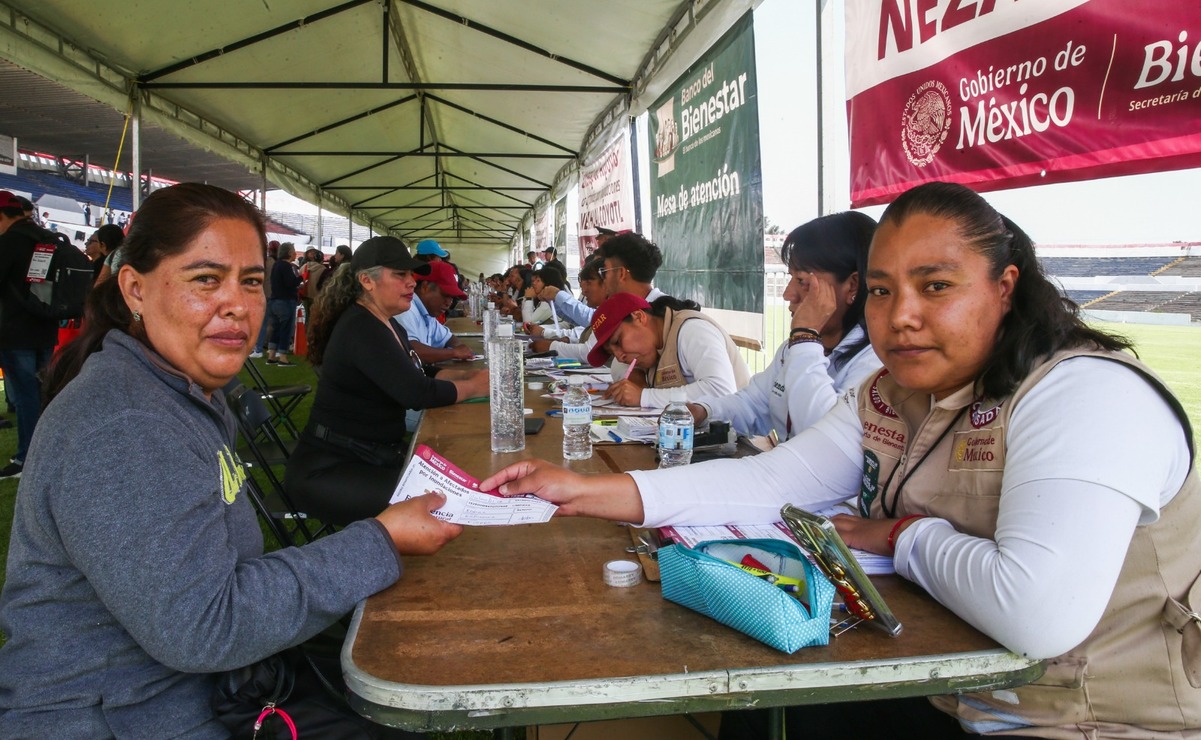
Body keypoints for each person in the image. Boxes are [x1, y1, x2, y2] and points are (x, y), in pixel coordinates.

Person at [481, 181, 1201, 738]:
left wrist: (902, 536)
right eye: (883, 291)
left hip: (1091, 720)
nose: (901, 316)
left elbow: (1037, 612)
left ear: (1004, 287)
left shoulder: (1084, 395)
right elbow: (773, 478)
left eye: (936, 286)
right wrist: (581, 490)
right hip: (945, 691)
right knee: (762, 710)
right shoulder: (890, 392)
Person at [0, 182, 461, 737]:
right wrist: (381, 539)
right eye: (206, 279)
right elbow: (205, 625)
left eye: (251, 281)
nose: (238, 305)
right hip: (127, 718)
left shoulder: (179, 392)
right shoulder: (125, 424)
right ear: (135, 289)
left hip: (207, 695)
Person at [284, 236, 490, 526]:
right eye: (400, 274)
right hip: (330, 471)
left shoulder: (386, 322)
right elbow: (416, 392)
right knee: (445, 504)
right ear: (367, 281)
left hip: (371, 457)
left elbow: (418, 372)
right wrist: (475, 386)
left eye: (411, 275)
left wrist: (470, 376)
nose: (411, 282)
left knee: (459, 482)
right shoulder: (361, 328)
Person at [691, 212, 882, 441]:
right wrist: (704, 411)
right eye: (791, 278)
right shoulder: (796, 349)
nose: (788, 294)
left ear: (853, 286)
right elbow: (753, 404)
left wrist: (805, 339)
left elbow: (823, 439)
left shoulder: (875, 362)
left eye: (802, 281)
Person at [589, 293, 750, 408]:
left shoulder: (692, 330)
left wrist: (644, 396)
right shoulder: (653, 346)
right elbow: (619, 367)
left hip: (737, 441)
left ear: (639, 317)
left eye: (618, 342)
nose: (619, 356)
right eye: (612, 353)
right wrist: (635, 379)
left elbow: (721, 390)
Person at [0, 190, 62, 478]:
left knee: (26, 397)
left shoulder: (9, 242)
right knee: (42, 394)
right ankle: (47, 452)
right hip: (45, 327)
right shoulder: (46, 238)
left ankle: (27, 458)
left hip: (16, 331)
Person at [396, 260, 474, 363]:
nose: (449, 303)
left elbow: (448, 338)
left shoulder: (427, 313)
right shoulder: (407, 309)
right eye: (445, 295)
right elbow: (411, 350)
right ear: (425, 287)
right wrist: (454, 352)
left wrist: (460, 347)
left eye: (452, 297)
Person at [259, 241, 301, 365]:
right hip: (285, 301)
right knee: (286, 329)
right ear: (289, 253)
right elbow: (290, 283)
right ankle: (283, 357)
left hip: (275, 300)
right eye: (293, 251)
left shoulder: (276, 265)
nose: (295, 254)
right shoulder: (286, 266)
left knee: (276, 329)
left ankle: (271, 355)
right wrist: (301, 277)